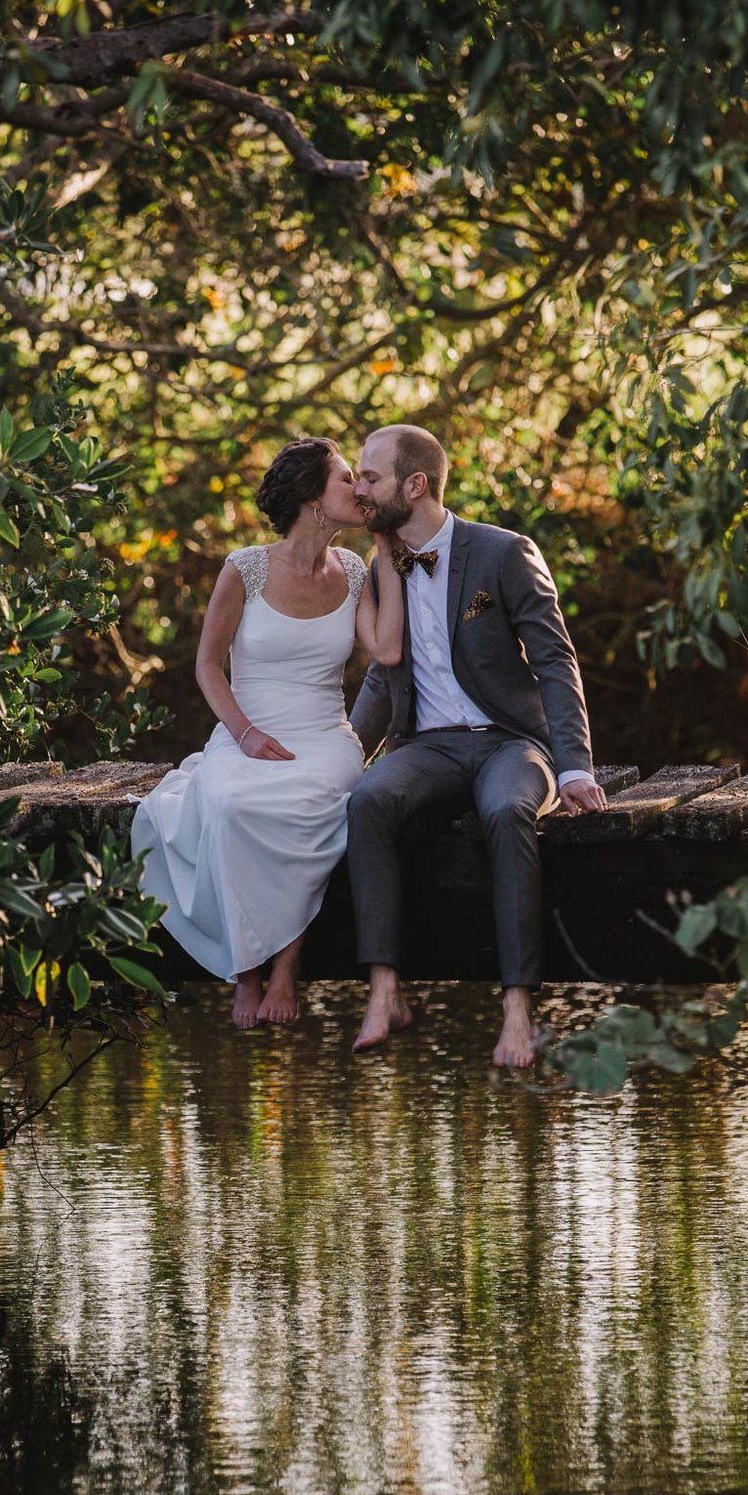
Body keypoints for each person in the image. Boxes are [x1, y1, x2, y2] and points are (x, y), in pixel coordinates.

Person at [345, 424, 606, 1068]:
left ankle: (517, 1009)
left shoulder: (503, 553)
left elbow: (554, 659)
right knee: (367, 800)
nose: (359, 488)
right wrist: (345, 756)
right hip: (426, 748)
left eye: (370, 477)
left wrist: (574, 767)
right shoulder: (384, 564)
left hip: (511, 743)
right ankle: (385, 992)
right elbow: (383, 672)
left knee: (505, 811)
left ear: (416, 485)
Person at [132, 438, 406, 1028]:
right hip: (247, 729)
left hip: (325, 735)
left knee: (320, 802)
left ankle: (286, 968)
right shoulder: (245, 568)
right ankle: (245, 973)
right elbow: (207, 665)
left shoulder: (356, 570)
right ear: (313, 499)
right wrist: (247, 735)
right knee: (228, 805)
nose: (360, 489)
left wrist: (387, 548)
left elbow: (385, 648)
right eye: (346, 479)